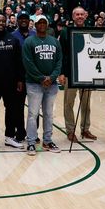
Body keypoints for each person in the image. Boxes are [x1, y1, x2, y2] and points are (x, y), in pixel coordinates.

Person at [0, 10, 25, 150]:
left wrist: (20, 79)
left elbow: (19, 61)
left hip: (10, 82)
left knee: (12, 110)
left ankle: (9, 137)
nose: (1, 23)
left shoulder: (12, 39)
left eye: (3, 20)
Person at [23, 14, 62, 155]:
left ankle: (47, 141)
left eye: (44, 22)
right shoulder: (29, 41)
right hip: (34, 83)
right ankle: (31, 142)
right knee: (33, 114)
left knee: (49, 114)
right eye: (39, 22)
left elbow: (59, 61)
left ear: (47, 24)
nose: (41, 25)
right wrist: (41, 78)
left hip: (51, 84)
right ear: (35, 24)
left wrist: (51, 77)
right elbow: (28, 63)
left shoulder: (54, 41)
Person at [59, 7, 96, 143]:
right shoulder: (65, 32)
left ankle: (85, 129)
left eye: (82, 14)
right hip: (70, 72)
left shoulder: (91, 31)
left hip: (87, 73)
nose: (80, 16)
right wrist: (61, 73)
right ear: (73, 17)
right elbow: (62, 54)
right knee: (69, 103)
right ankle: (70, 130)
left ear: (85, 16)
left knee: (86, 103)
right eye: (77, 14)